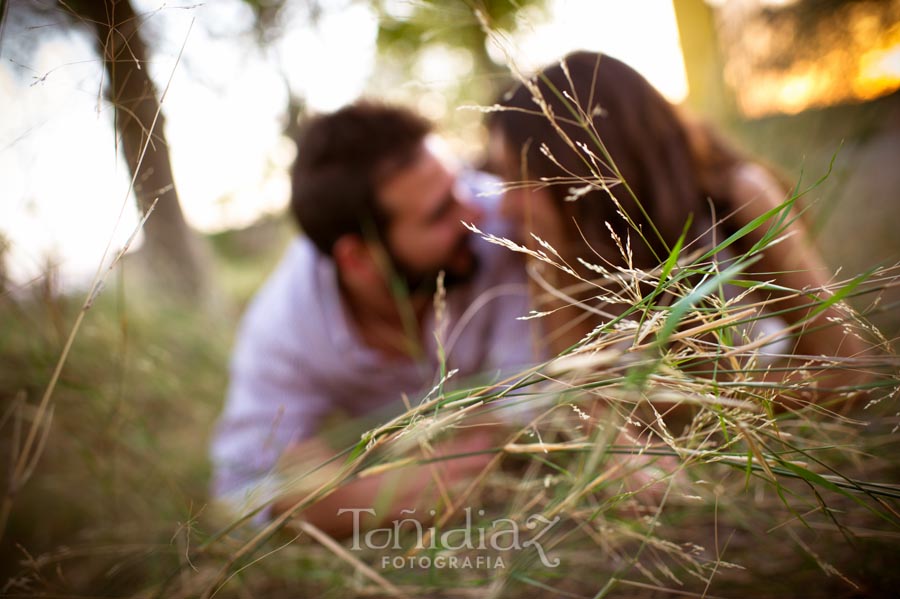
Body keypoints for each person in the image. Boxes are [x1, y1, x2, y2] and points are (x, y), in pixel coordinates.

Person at [210, 101, 537, 536]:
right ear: (360, 259)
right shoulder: (284, 328)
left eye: (459, 183)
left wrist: (330, 478)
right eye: (440, 212)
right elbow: (238, 494)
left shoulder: (507, 222)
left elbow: (544, 394)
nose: (473, 213)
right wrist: (375, 498)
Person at [486, 51, 866, 401]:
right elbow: (588, 400)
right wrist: (552, 275)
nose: (504, 204)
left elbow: (850, 367)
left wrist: (690, 411)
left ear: (581, 169)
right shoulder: (568, 250)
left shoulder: (736, 197)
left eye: (517, 179)